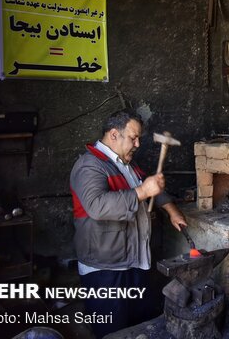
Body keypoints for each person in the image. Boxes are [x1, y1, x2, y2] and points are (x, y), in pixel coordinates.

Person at [70, 109, 187, 338]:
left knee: (137, 326)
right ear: (114, 134)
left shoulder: (127, 164)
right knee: (112, 331)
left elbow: (150, 187)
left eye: (139, 138)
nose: (138, 144)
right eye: (133, 137)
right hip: (106, 269)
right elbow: (97, 205)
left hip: (134, 260)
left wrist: (172, 211)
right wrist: (143, 191)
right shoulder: (90, 166)